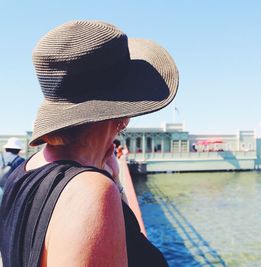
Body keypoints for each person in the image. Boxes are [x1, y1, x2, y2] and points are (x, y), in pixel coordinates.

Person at [0, 20, 178, 267]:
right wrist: (107, 187)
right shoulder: (91, 192)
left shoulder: (22, 173)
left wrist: (114, 183)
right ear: (123, 117)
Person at [0, 137, 25, 204]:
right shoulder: (20, 160)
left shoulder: (0, 157)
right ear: (19, 149)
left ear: (6, 148)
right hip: (10, 192)